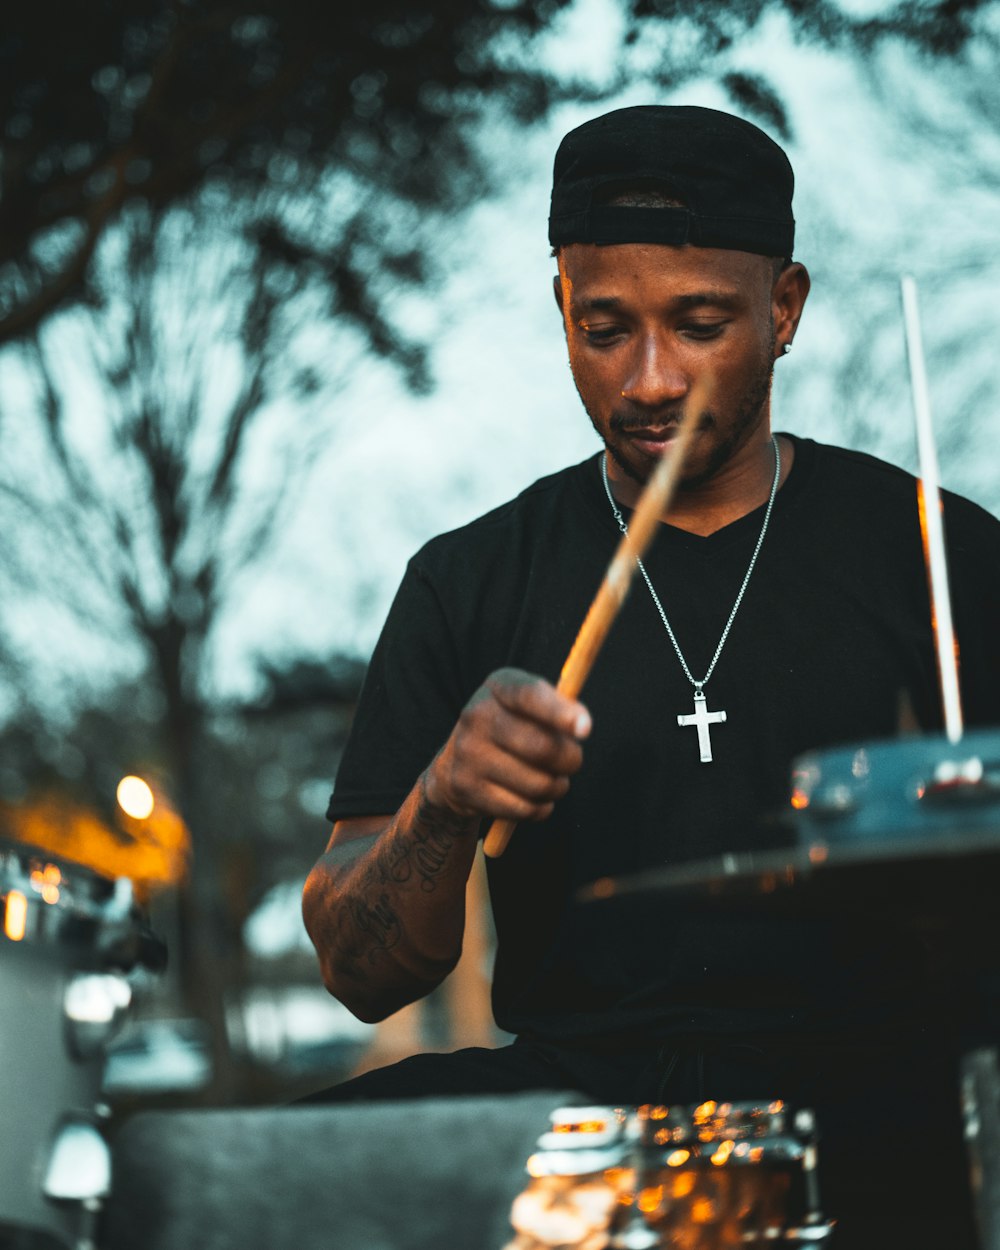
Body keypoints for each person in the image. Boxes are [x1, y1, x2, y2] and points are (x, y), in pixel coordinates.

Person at [302, 105, 1000, 1245]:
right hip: (576, 1126)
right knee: (238, 1182)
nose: (649, 380)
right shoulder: (466, 581)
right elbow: (359, 971)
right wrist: (442, 801)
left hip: (891, 1096)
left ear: (783, 310)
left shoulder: (941, 553)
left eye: (701, 322)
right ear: (561, 312)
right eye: (604, 328)